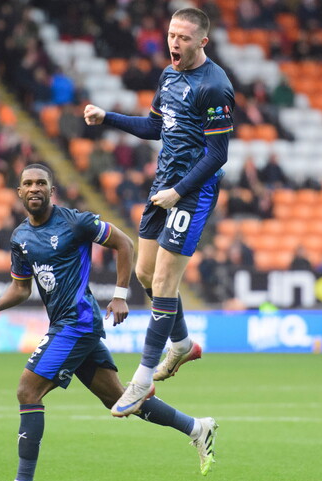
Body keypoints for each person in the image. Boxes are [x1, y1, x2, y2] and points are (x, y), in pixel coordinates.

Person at [0, 164, 218, 481]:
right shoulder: (20, 238)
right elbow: (21, 287)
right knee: (118, 398)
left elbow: (124, 243)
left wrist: (120, 294)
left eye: (41, 182)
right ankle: (197, 427)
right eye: (27, 183)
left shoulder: (75, 222)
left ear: (51, 189)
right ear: (18, 191)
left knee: (28, 391)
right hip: (67, 324)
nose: (34, 188)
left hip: (78, 323)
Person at [83, 7, 234, 415]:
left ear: (202, 41)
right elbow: (156, 127)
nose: (174, 43)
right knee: (145, 274)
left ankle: (141, 379)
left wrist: (179, 191)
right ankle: (183, 344)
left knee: (165, 281)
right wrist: (107, 117)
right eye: (171, 35)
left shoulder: (216, 86)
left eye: (184, 38)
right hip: (163, 185)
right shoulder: (168, 77)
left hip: (193, 191)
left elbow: (218, 154)